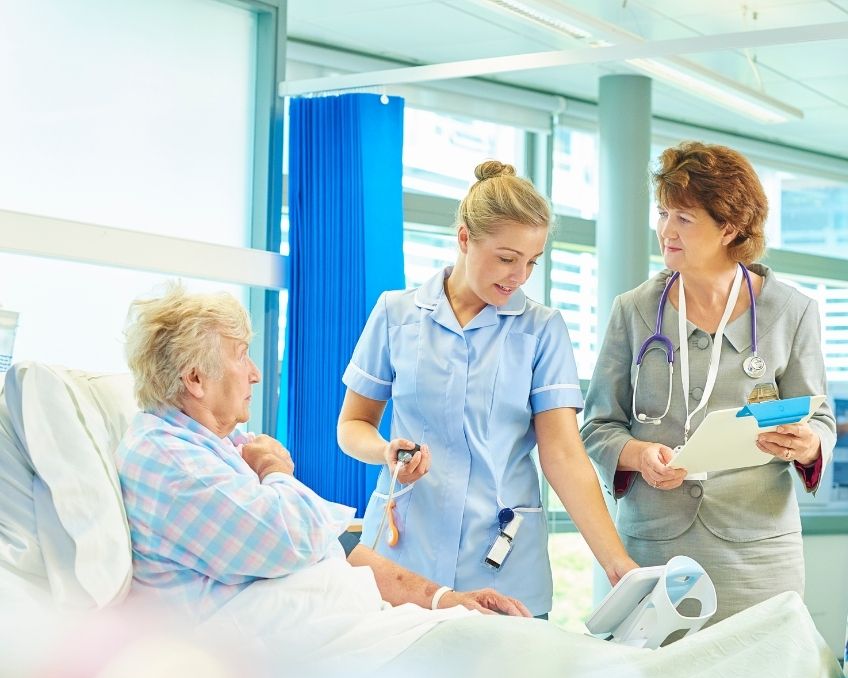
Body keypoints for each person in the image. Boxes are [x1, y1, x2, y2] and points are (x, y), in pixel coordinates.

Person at [115, 284, 531, 624]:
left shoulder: (217, 445)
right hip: (289, 651)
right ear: (195, 379)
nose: (256, 373)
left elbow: (333, 545)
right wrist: (278, 472)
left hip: (347, 619)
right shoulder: (171, 461)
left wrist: (443, 599)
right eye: (241, 356)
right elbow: (295, 539)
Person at [337, 160, 639, 618]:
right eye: (506, 258)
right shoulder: (396, 314)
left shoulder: (542, 330)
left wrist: (616, 563)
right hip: (404, 560)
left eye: (531, 262)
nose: (519, 275)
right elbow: (353, 425)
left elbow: (563, 454)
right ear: (464, 238)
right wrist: (384, 452)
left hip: (502, 565)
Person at [581, 140, 837, 626]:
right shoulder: (633, 309)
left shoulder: (792, 311)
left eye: (684, 219)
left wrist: (807, 443)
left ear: (730, 227)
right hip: (656, 545)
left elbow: (819, 418)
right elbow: (597, 426)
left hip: (758, 552)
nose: (666, 231)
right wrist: (638, 455)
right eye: (663, 214)